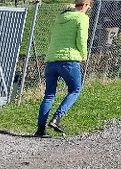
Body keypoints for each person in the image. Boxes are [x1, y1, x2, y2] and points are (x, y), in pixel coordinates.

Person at [36, 0, 90, 137]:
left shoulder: (58, 19)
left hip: (51, 60)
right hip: (69, 60)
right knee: (75, 89)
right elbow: (81, 39)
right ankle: (57, 118)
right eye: (88, 6)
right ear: (84, 5)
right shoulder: (82, 18)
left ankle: (40, 130)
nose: (88, 9)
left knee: (49, 95)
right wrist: (84, 55)